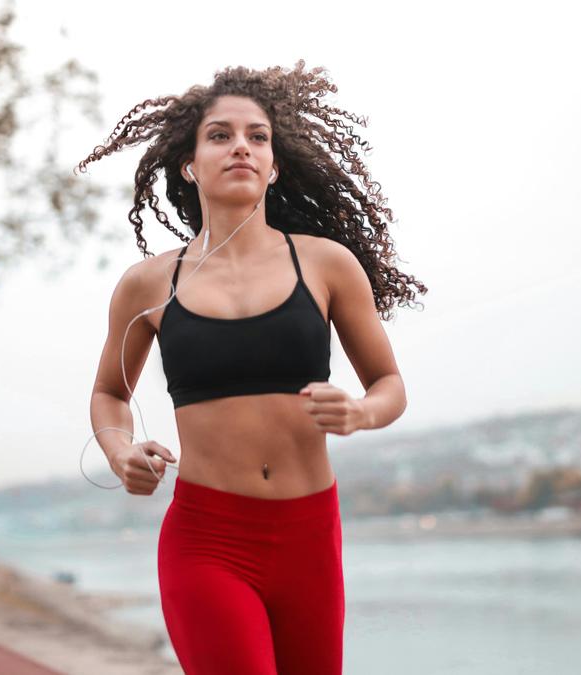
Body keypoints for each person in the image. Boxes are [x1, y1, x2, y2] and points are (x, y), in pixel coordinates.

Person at [79, 61, 425, 674]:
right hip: (207, 540)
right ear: (189, 164)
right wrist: (119, 451)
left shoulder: (326, 265)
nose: (241, 145)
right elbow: (110, 392)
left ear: (274, 164)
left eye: (257, 136)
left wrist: (360, 411)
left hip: (309, 538)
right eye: (219, 135)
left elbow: (389, 385)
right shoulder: (148, 284)